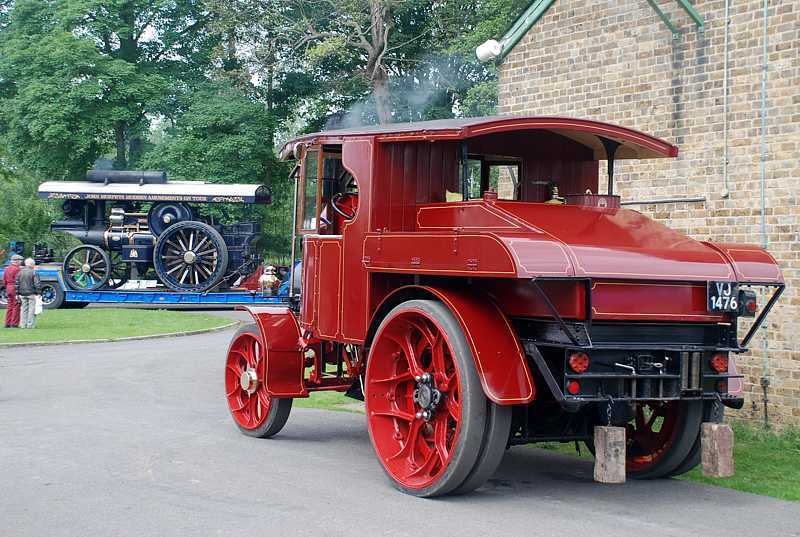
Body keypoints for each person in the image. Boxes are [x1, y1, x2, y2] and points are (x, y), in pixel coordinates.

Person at [15, 258, 41, 329]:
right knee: (31, 309)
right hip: (31, 293)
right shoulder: (34, 272)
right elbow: (37, 284)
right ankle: (30, 324)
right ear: (32, 264)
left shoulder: (20, 272)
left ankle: (23, 324)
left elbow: (17, 284)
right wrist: (39, 293)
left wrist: (16, 294)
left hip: (22, 294)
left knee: (23, 309)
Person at [3, 254, 22, 328]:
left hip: (8, 287)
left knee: (9, 306)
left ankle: (7, 323)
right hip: (14, 288)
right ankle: (14, 323)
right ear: (16, 261)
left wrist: (7, 287)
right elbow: (18, 280)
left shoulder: (7, 268)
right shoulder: (17, 269)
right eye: (20, 260)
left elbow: (4, 280)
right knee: (16, 306)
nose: (20, 262)